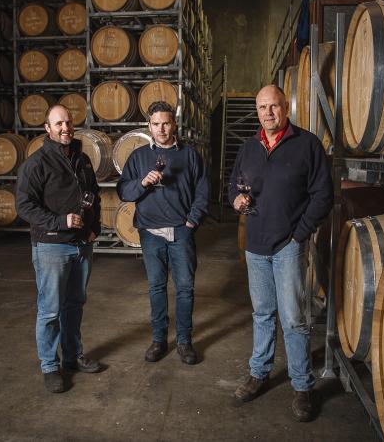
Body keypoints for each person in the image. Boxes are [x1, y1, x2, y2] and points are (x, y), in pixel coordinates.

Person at [228, 85, 332, 421]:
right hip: (255, 243)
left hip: (288, 244)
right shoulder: (249, 147)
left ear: (286, 107)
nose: (268, 113)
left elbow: (322, 196)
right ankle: (259, 373)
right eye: (262, 107)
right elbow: (234, 184)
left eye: (274, 106)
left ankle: (302, 386)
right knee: (261, 314)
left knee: (293, 318)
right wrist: (236, 200)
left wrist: (298, 235)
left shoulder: (307, 144)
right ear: (257, 111)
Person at [16, 104, 102, 393]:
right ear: (47, 128)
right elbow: (24, 206)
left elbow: (95, 195)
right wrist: (59, 221)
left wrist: (94, 228)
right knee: (50, 310)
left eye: (68, 122)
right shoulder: (36, 164)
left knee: (74, 305)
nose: (65, 128)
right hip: (52, 245)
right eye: (58, 123)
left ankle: (72, 356)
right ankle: (50, 366)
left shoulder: (82, 158)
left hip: (81, 246)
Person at [117, 101, 209, 365]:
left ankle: (184, 341)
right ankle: (158, 340)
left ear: (174, 124)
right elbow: (124, 191)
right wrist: (142, 183)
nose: (161, 129)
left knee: (184, 288)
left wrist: (192, 221)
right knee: (156, 287)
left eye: (166, 123)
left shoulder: (190, 155)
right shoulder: (139, 156)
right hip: (150, 232)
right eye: (156, 124)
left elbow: (203, 191)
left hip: (181, 231)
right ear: (149, 126)